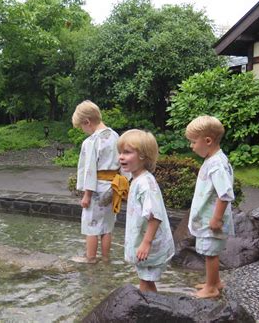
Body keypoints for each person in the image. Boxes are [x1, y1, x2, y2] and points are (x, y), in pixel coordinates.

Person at [118, 129, 174, 292]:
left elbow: (154, 216)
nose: (121, 156)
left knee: (146, 282)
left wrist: (146, 243)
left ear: (143, 156)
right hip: (147, 243)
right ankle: (150, 309)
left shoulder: (145, 184)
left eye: (127, 152)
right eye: (120, 152)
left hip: (151, 245)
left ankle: (149, 312)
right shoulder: (137, 179)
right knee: (146, 280)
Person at [71, 100, 127, 264]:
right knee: (107, 227)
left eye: (82, 127)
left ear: (87, 122)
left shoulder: (92, 141)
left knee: (91, 226)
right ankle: (105, 258)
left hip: (97, 188)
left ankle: (90, 258)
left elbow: (89, 169)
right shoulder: (115, 135)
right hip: (113, 187)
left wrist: (87, 195)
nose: (83, 131)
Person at [185, 115, 235, 298]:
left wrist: (216, 218)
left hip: (211, 219)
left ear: (208, 141)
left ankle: (211, 288)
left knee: (210, 253)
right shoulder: (215, 160)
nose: (191, 146)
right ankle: (215, 281)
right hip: (209, 217)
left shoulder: (216, 165)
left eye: (193, 142)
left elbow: (225, 193)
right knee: (211, 251)